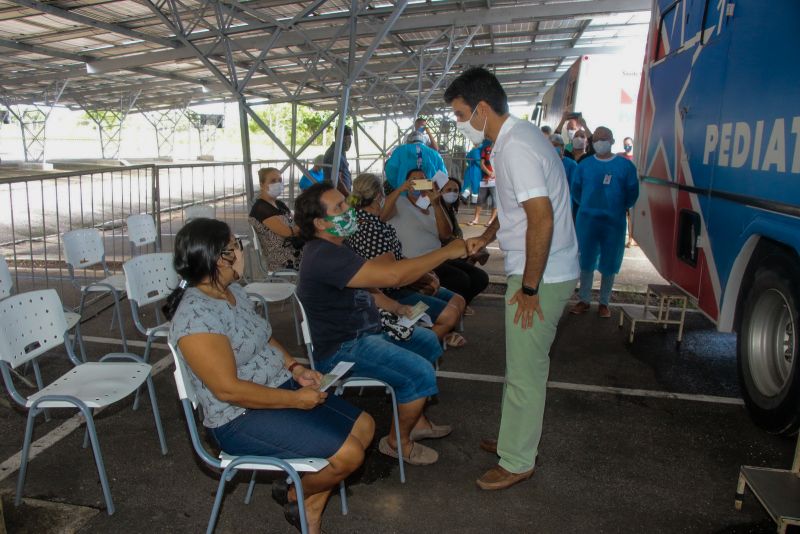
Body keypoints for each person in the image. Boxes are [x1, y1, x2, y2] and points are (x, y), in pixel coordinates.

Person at [165, 218, 374, 534]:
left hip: (274, 386)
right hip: (239, 416)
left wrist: (295, 368)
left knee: (365, 426)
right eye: (237, 245)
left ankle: (306, 502)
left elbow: (263, 336)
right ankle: (297, 494)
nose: (242, 250)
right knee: (348, 456)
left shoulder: (232, 289)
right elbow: (228, 390)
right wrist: (295, 399)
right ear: (220, 258)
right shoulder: (196, 318)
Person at [444, 67, 579, 491]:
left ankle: (518, 459)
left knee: (525, 372)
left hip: (542, 275)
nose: (460, 123)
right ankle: (511, 440)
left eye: (461, 114)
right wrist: (486, 235)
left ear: (482, 108)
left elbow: (541, 218)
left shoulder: (515, 147)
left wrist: (530, 287)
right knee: (519, 367)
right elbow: (516, 205)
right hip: (542, 268)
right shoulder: (512, 140)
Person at [295, 182, 469, 466]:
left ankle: (418, 420)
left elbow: (367, 287)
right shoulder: (324, 255)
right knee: (420, 372)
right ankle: (396, 443)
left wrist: (396, 306)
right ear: (320, 223)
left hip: (366, 334)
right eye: (338, 207)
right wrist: (446, 252)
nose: (348, 209)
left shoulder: (336, 246)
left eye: (345, 203)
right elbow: (392, 277)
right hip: (343, 348)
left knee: (426, 342)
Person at [345, 173, 467, 347]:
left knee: (458, 301)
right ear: (379, 197)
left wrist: (424, 274)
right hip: (390, 294)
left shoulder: (369, 221)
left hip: (398, 286)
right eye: (384, 197)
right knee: (450, 314)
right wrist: (422, 277)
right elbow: (390, 275)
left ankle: (435, 334)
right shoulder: (369, 228)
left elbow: (396, 260)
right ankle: (418, 347)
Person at [386, 169, 489, 307]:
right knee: (461, 279)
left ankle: (458, 308)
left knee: (480, 277)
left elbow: (445, 234)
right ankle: (451, 311)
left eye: (422, 180)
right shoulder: (399, 203)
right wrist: (400, 189)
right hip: (417, 260)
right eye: (413, 180)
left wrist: (436, 204)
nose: (418, 183)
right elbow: (382, 214)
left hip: (438, 257)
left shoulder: (431, 205)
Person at [570, 126, 639, 318]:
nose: (600, 142)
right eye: (597, 138)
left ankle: (604, 303)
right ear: (592, 142)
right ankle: (584, 299)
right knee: (586, 261)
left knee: (610, 261)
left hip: (613, 222)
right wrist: (587, 205)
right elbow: (576, 191)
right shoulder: (585, 165)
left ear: (612, 141)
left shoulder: (625, 167)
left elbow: (632, 193)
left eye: (605, 138)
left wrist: (617, 208)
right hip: (588, 220)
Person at [249, 167, 304, 272]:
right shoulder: (261, 208)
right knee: (321, 254)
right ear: (261, 184)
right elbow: (288, 232)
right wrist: (305, 225)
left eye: (280, 180)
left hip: (295, 248)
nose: (278, 184)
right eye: (273, 181)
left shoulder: (279, 204)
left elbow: (295, 220)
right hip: (284, 258)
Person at [468, 140, 498, 226]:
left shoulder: (502, 150)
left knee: (495, 201)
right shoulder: (486, 149)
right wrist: (489, 173)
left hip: (496, 180)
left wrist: (494, 175)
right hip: (485, 179)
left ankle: (491, 220)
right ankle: (476, 219)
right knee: (480, 199)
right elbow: (482, 164)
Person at [550, 133, 579, 220]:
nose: (552, 148)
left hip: (564, 202)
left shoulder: (571, 164)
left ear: (562, 147)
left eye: (555, 145)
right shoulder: (547, 163)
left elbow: (574, 188)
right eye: (549, 145)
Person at [322, 125, 353, 196]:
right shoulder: (334, 154)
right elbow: (338, 181)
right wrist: (349, 196)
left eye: (350, 140)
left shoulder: (340, 152)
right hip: (338, 195)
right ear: (341, 139)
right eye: (348, 140)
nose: (350, 142)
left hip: (342, 194)